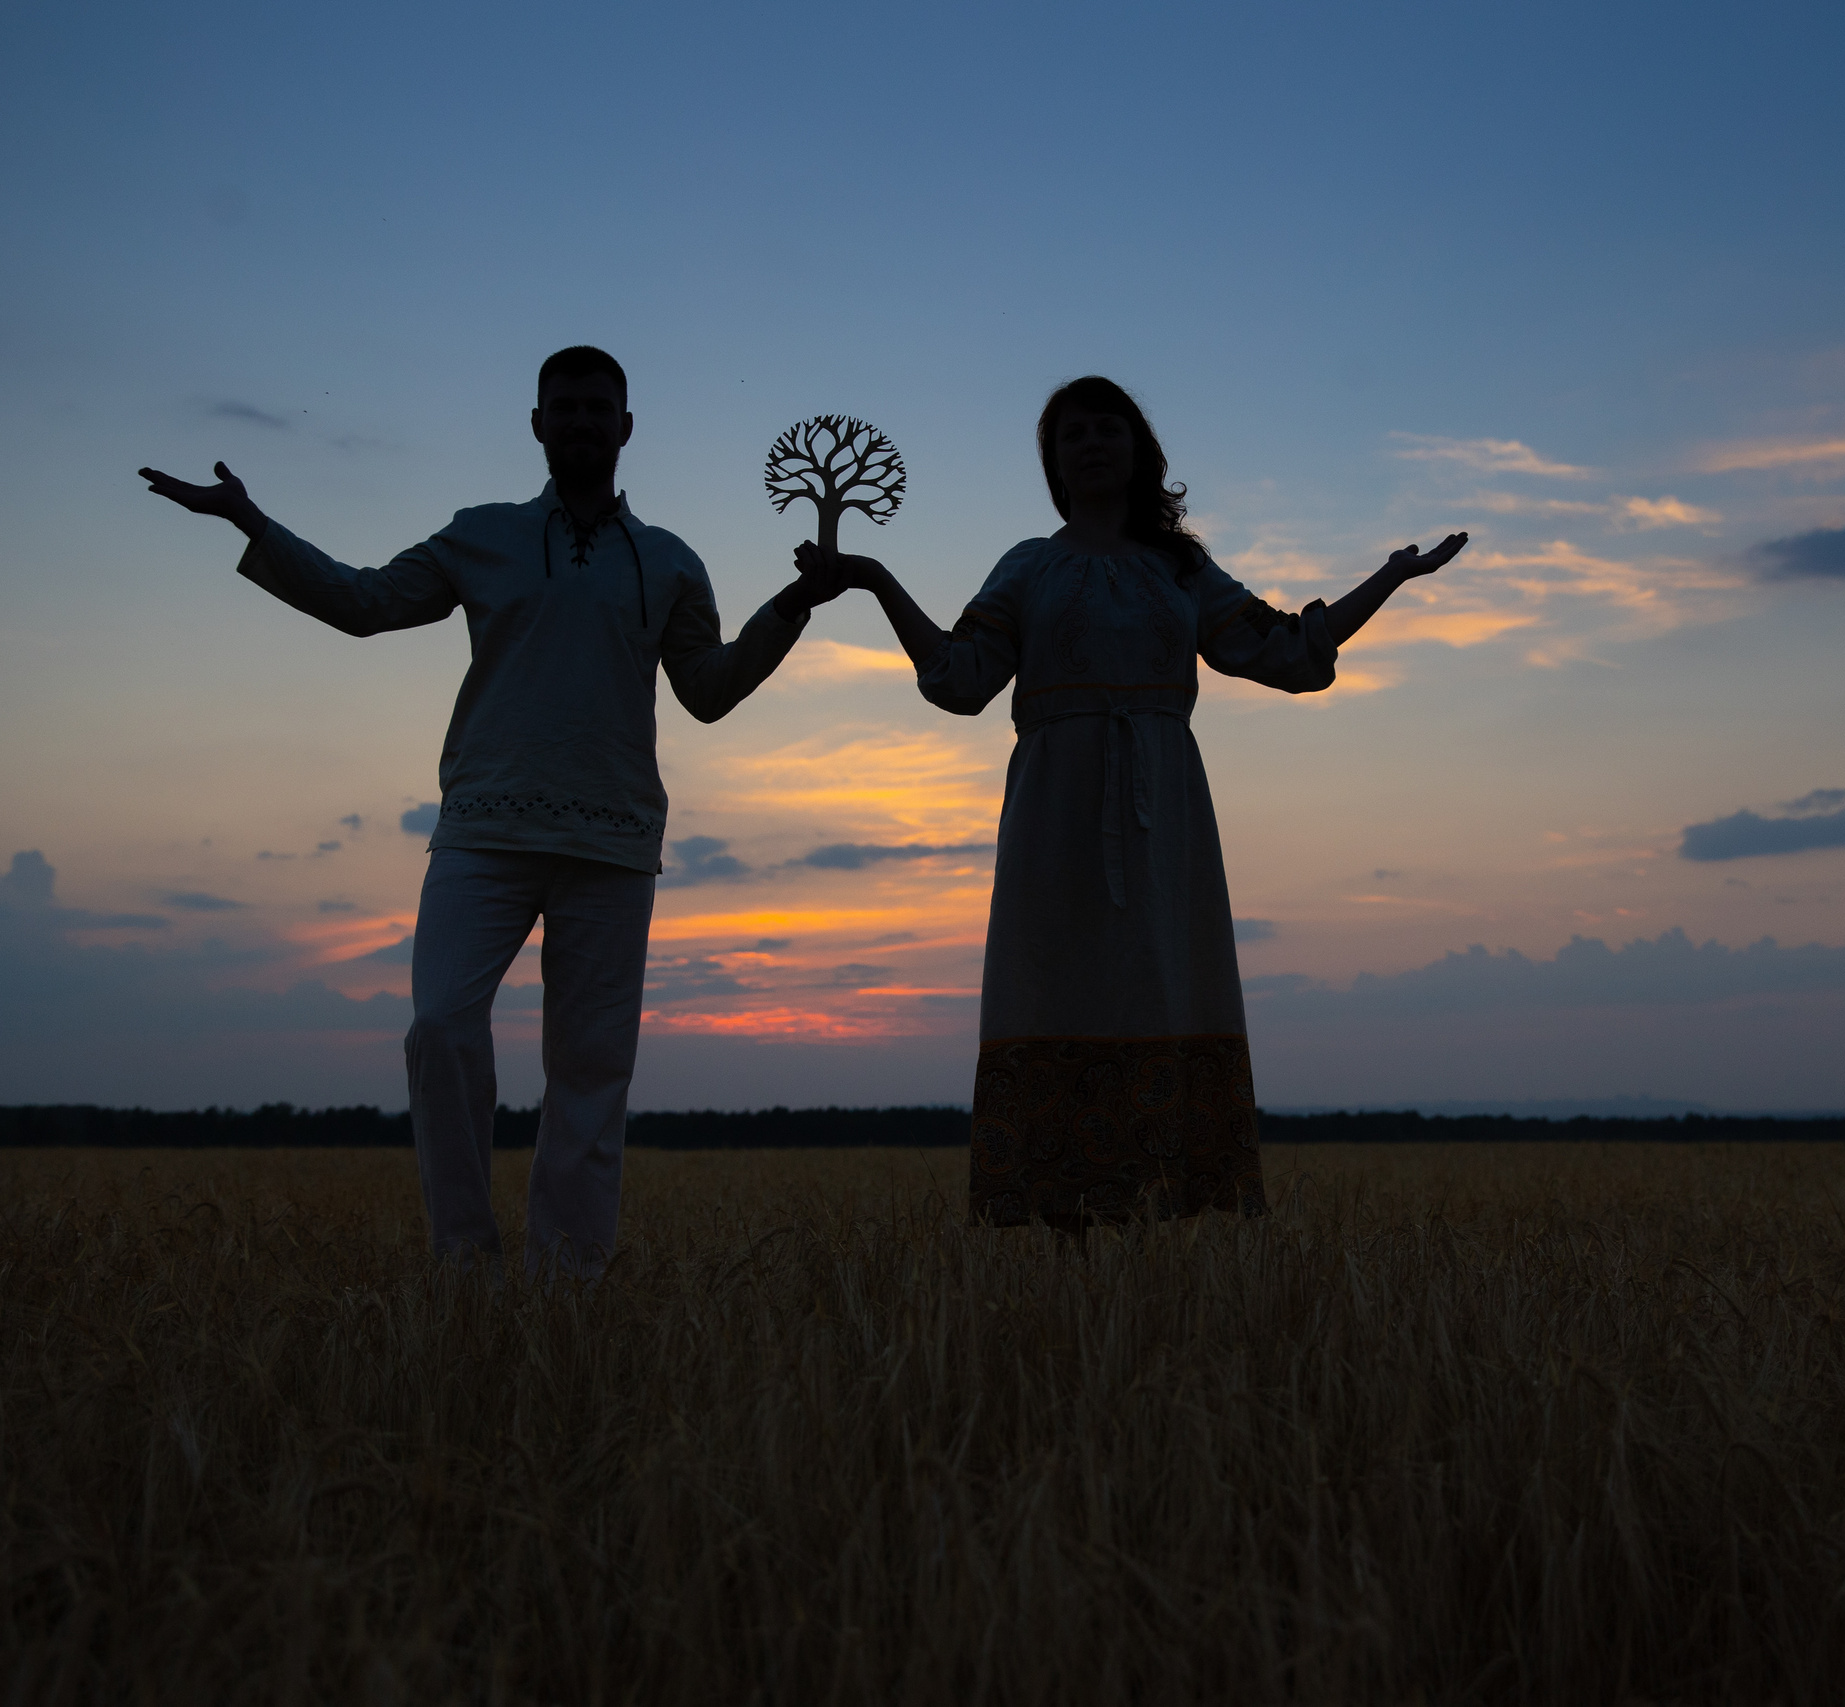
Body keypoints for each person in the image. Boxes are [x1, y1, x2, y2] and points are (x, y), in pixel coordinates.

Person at [139, 345, 848, 1278]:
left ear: (627, 428)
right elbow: (364, 602)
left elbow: (708, 690)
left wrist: (796, 602)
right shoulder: (483, 535)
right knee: (439, 1028)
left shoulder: (670, 560)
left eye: (599, 408)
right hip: (483, 830)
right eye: (566, 406)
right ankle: (465, 1264)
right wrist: (252, 523)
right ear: (538, 424)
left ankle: (568, 1284)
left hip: (613, 840)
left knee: (591, 1069)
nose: (583, 421)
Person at [801, 375, 1464, 1232]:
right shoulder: (1028, 566)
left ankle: (1160, 1228)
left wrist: (1391, 577)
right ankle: (1056, 1233)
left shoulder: (1180, 569)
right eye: (1071, 433)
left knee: (1165, 986)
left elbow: (1286, 651)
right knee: (1051, 988)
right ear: (1053, 463)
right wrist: (872, 577)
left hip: (1165, 824)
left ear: (1138, 449)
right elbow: (961, 679)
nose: (1090, 443)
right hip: (1053, 821)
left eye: (1106, 428)